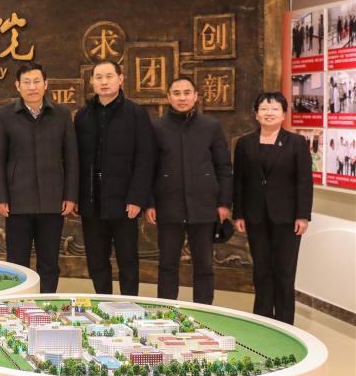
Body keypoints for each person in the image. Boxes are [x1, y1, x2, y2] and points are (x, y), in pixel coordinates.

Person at [0, 62, 77, 291]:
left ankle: (46, 302)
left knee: (49, 263)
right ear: (17, 86)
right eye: (26, 82)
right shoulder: (5, 115)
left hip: (52, 201)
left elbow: (71, 158)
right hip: (17, 202)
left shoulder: (62, 114)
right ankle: (18, 304)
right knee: (17, 263)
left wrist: (70, 195)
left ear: (45, 84)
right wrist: (0, 197)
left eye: (36, 81)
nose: (32, 87)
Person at [145, 76, 232, 304]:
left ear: (196, 96)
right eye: (176, 93)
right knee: (167, 264)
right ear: (168, 97)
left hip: (204, 206)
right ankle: (167, 310)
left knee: (204, 265)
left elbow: (223, 167)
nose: (182, 98)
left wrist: (224, 203)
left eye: (187, 93)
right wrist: (150, 203)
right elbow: (148, 168)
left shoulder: (211, 126)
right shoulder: (156, 127)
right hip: (168, 206)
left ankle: (204, 312)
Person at [74, 59, 155, 296]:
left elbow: (145, 158)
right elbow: (76, 159)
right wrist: (77, 196)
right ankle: (103, 301)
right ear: (91, 82)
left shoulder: (136, 113)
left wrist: (137, 198)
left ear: (120, 79)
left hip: (124, 201)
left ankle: (129, 305)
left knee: (127, 259)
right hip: (92, 201)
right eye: (98, 77)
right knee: (96, 259)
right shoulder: (83, 115)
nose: (104, 82)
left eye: (109, 76)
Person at [232, 92, 312, 325]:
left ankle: (285, 323)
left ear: (283, 114)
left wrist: (303, 216)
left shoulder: (296, 142)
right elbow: (239, 181)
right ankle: (263, 320)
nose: (269, 113)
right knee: (262, 270)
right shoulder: (245, 143)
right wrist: (239, 213)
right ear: (256, 114)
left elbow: (304, 182)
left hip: (287, 218)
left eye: (275, 108)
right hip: (255, 216)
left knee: (285, 271)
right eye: (264, 109)